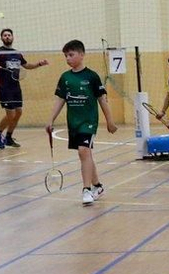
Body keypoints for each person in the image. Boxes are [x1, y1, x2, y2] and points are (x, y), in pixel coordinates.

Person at [45, 39, 118, 207]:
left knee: (83, 151)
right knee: (86, 154)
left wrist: (110, 121)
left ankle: (86, 190)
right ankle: (97, 186)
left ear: (82, 54)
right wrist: (50, 119)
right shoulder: (65, 77)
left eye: (71, 55)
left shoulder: (92, 76)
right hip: (73, 123)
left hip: (88, 122)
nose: (68, 58)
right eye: (66, 56)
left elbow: (102, 99)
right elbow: (60, 100)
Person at [0, 28, 49, 149]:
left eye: (9, 35)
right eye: (5, 35)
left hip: (15, 87)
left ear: (12, 37)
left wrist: (39, 64)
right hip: (4, 88)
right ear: (1, 38)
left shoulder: (17, 53)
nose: (7, 37)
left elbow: (27, 65)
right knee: (10, 114)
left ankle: (8, 137)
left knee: (19, 112)